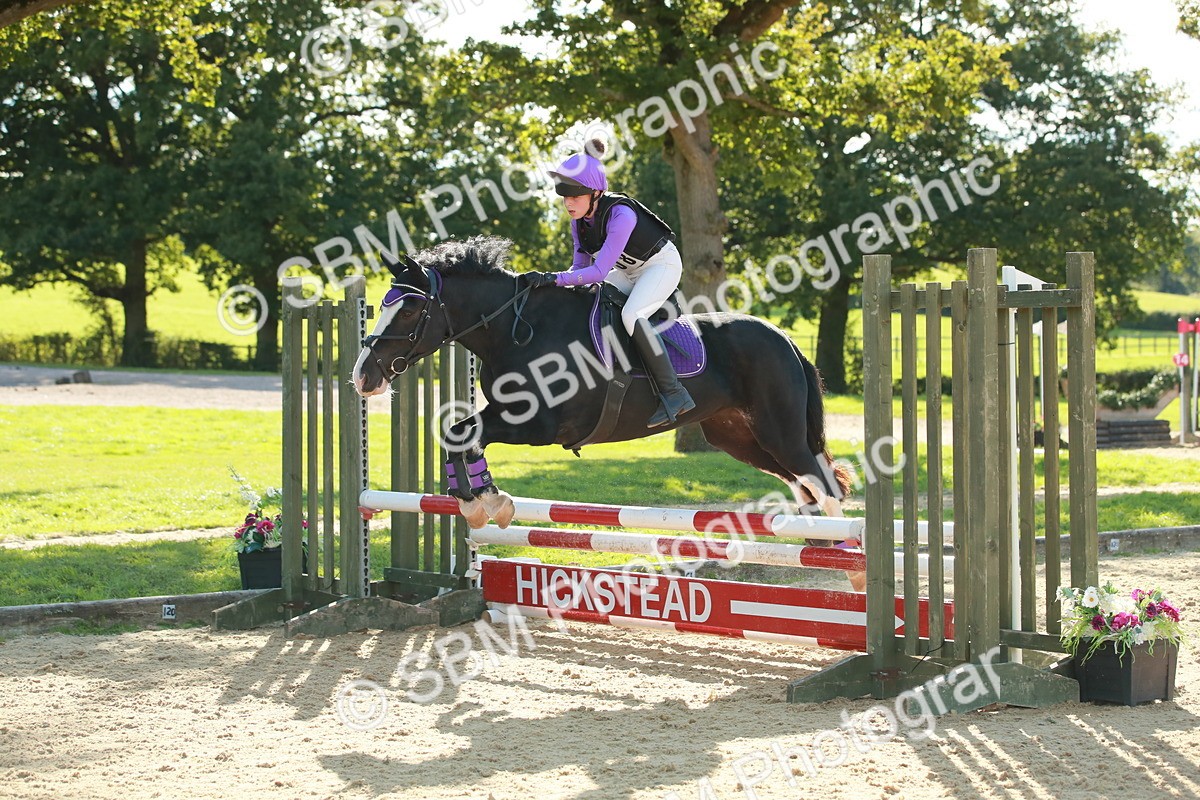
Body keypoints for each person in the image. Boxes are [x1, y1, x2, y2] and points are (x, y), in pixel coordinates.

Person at [522, 139, 696, 428]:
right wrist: (554, 284)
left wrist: (552, 278)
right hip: (629, 273)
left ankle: (675, 393)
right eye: (564, 197)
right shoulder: (578, 221)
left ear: (596, 193)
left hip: (660, 266)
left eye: (575, 197)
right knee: (587, 299)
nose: (568, 203)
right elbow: (579, 270)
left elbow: (599, 271)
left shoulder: (621, 214)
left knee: (631, 315)